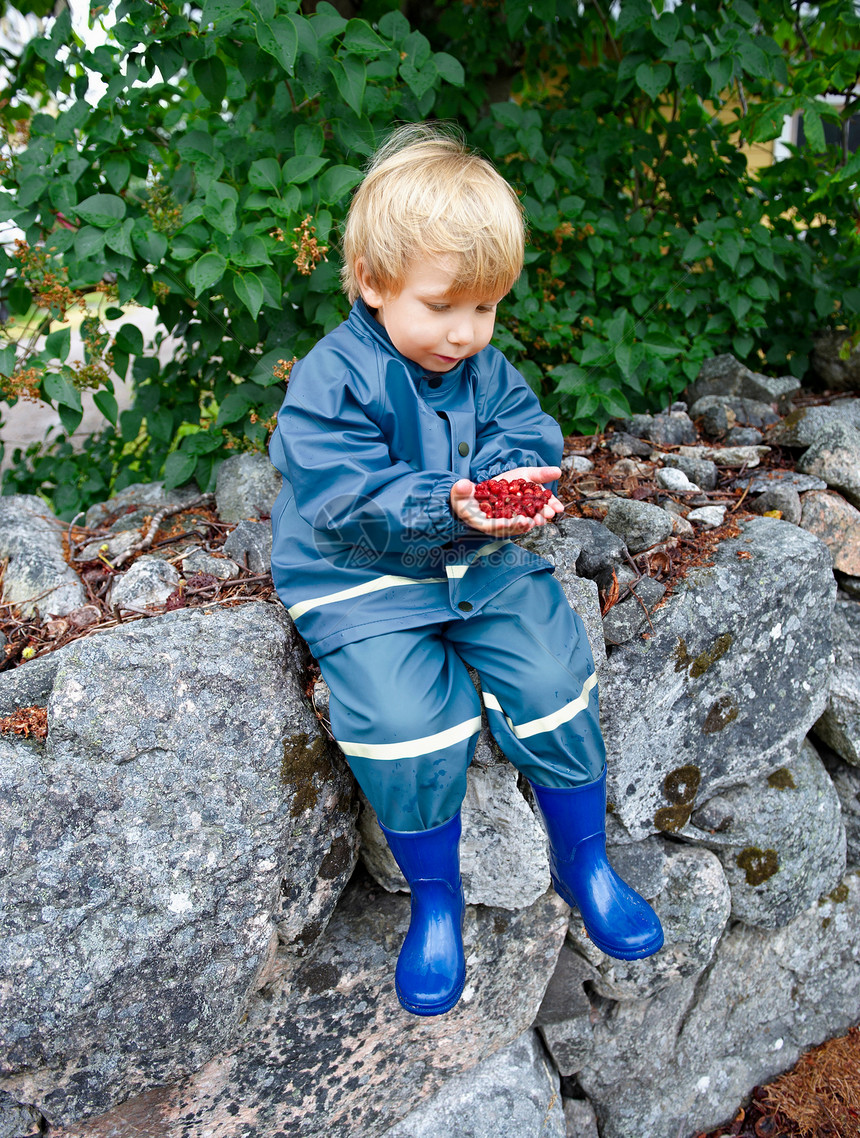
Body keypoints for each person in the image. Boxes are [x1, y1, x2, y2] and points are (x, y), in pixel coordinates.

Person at [268, 123, 663, 1017]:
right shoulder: (334, 379)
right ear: (372, 282)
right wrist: (440, 502)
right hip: (358, 572)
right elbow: (338, 492)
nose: (466, 333)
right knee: (403, 720)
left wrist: (517, 477)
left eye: (485, 310)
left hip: (474, 559)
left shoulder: (483, 366)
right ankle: (435, 898)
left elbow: (524, 428)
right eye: (445, 305)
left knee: (554, 669)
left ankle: (584, 857)